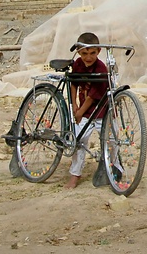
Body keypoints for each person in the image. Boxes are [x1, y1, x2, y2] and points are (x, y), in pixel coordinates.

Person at [64, 32, 109, 189]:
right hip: (83, 112)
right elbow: (74, 83)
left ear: (98, 51)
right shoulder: (78, 64)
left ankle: (113, 170)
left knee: (111, 142)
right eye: (84, 53)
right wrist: (75, 105)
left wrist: (79, 112)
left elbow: (92, 96)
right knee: (78, 141)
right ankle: (75, 175)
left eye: (92, 53)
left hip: (101, 112)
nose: (88, 57)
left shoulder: (101, 68)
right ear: (78, 52)